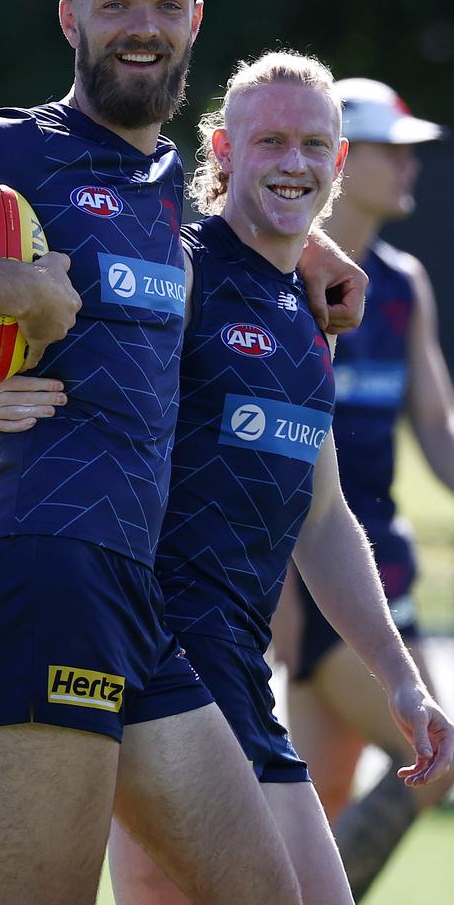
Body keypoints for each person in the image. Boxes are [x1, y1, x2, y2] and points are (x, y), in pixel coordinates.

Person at [0, 0, 373, 905]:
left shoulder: (161, 190)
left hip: (135, 611)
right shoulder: (25, 145)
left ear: (193, 25)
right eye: (114, 4)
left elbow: (220, 231)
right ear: (71, 20)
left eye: (163, 5)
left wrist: (306, 244)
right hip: (41, 572)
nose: (139, 24)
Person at [0, 50, 454, 905]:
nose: (293, 162)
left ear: (339, 162)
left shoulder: (313, 315)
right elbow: (27, 347)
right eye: (270, 141)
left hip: (235, 677)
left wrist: (400, 677)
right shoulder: (177, 273)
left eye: (313, 144)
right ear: (220, 150)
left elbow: (322, 517)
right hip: (154, 664)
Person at [272, 77, 454, 901]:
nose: (410, 168)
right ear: (346, 158)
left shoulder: (404, 284)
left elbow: (440, 434)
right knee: (440, 756)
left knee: (318, 802)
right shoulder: (281, 280)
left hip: (392, 581)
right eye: (393, 151)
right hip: (314, 588)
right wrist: (277, 597)